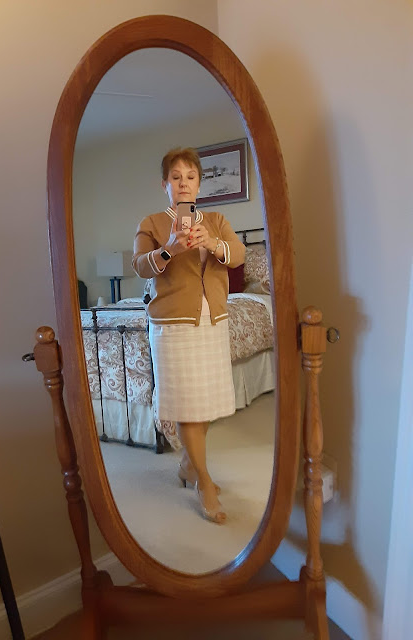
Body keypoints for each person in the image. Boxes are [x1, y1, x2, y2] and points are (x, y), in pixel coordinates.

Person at [132, 147, 245, 524]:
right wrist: (169, 250)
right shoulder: (151, 222)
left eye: (191, 177)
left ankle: (187, 464)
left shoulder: (215, 219)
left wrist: (212, 243)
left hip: (213, 320)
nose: (183, 183)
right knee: (187, 402)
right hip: (173, 324)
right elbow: (140, 266)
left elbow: (238, 255)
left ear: (199, 183)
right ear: (164, 184)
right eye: (176, 177)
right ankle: (204, 482)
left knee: (205, 400)